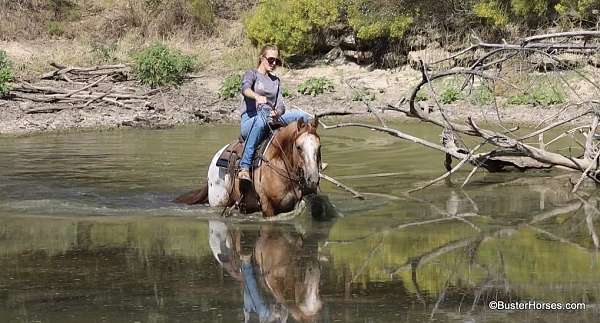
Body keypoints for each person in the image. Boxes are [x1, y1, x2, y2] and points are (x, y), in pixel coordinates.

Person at [238, 44, 311, 184]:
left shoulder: (276, 81)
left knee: (303, 117)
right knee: (260, 121)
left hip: (271, 117)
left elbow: (281, 105)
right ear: (262, 58)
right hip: (251, 119)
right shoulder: (251, 74)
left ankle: (310, 160)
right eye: (271, 59)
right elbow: (245, 89)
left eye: (276, 61)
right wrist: (256, 97)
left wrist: (277, 112)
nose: (273, 63)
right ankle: (244, 167)